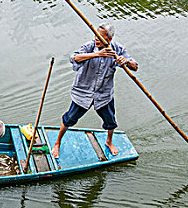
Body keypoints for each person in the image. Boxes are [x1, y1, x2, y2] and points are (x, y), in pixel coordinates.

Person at [52, 22, 138, 158]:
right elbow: (73, 58)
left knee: (110, 121)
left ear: (109, 39)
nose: (97, 39)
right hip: (83, 93)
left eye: (101, 37)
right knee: (69, 118)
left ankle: (109, 142)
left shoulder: (117, 50)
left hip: (103, 95)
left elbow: (134, 66)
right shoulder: (90, 46)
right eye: (96, 35)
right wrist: (97, 54)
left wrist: (125, 62)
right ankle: (57, 143)